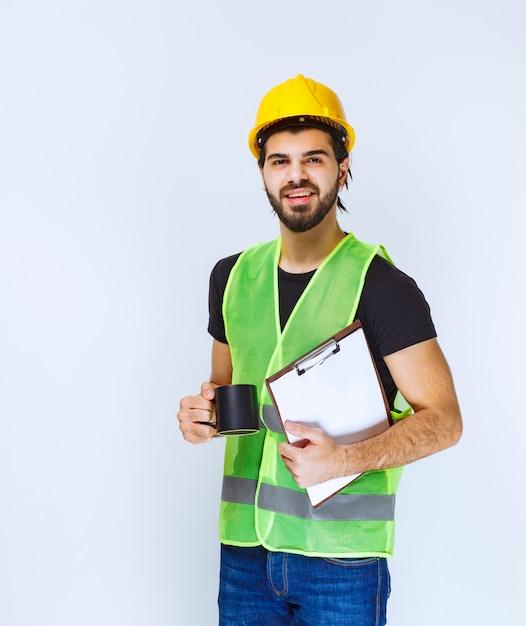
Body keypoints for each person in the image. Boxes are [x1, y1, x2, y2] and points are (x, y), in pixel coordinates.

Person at [177, 74, 462, 625]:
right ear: (262, 173)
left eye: (313, 158)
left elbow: (445, 421)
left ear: (343, 167)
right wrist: (203, 419)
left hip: (342, 563)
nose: (296, 175)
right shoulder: (231, 277)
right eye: (279, 161)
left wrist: (346, 459)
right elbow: (228, 401)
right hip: (244, 554)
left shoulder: (382, 287)